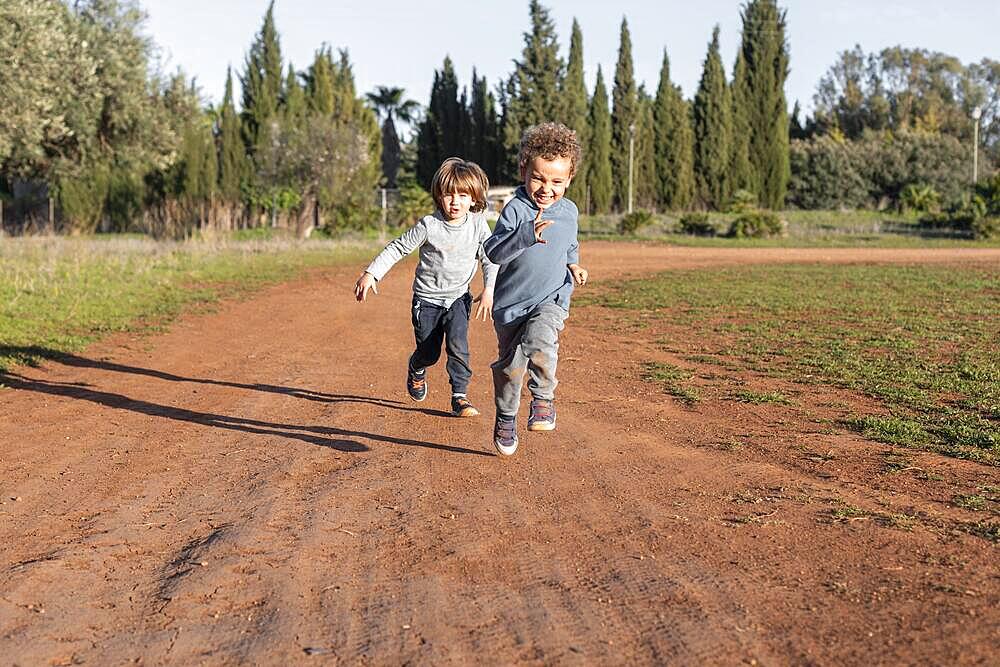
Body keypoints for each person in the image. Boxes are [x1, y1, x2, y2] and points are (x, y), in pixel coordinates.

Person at [354, 158, 497, 417]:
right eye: (448, 194)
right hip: (427, 300)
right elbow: (398, 247)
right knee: (429, 353)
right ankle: (417, 367)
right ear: (438, 196)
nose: (455, 201)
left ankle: (459, 396)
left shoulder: (477, 225)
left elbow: (490, 257)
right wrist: (372, 273)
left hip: (457, 298)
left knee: (458, 345)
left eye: (463, 195)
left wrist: (489, 289)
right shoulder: (428, 225)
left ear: (474, 198)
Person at [482, 122, 588, 455]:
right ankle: (507, 414)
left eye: (557, 181)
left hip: (551, 297)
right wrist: (525, 233)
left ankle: (543, 399)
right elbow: (493, 252)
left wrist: (574, 264)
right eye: (539, 178)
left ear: (569, 179)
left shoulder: (569, 211)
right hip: (511, 306)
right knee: (511, 367)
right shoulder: (515, 209)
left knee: (541, 340)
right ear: (524, 170)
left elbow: (569, 243)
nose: (547, 188)